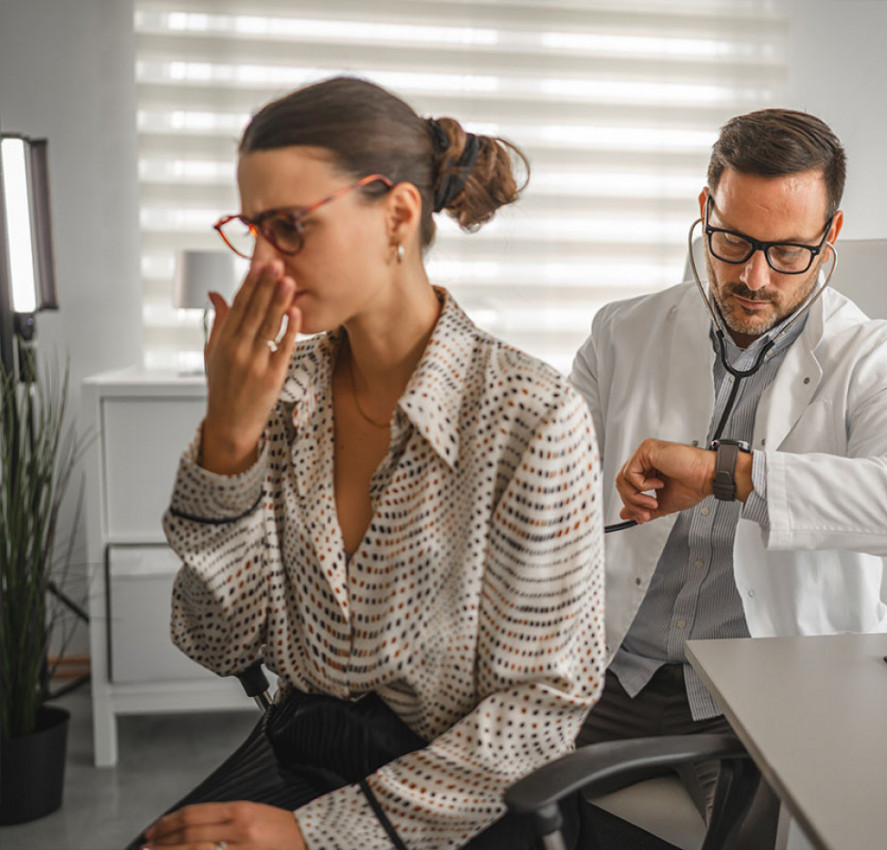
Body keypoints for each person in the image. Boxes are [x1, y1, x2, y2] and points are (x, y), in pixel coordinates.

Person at [137, 77, 605, 850]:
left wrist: (320, 836)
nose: (262, 263)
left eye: (289, 227)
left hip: (461, 798)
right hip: (297, 757)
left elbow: (538, 712)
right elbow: (216, 643)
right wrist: (227, 446)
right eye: (251, 229)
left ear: (396, 215)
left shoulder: (532, 415)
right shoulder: (278, 397)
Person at [570, 108, 887, 844]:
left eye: (786, 252)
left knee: (766, 822)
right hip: (614, 668)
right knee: (484, 786)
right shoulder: (621, 333)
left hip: (761, 684)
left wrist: (732, 475)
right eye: (732, 242)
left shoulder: (869, 356)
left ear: (830, 239)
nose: (753, 277)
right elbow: (543, 489)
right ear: (703, 213)